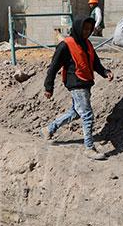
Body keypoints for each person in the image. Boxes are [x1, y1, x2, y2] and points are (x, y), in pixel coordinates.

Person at [42, 16, 114, 161]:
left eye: (89, 29)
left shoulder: (87, 44)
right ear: (77, 28)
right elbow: (53, 67)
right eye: (84, 29)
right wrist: (48, 87)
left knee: (76, 112)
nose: (87, 32)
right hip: (75, 83)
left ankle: (49, 129)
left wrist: (105, 72)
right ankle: (89, 148)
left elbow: (95, 63)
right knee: (87, 114)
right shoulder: (65, 45)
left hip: (85, 82)